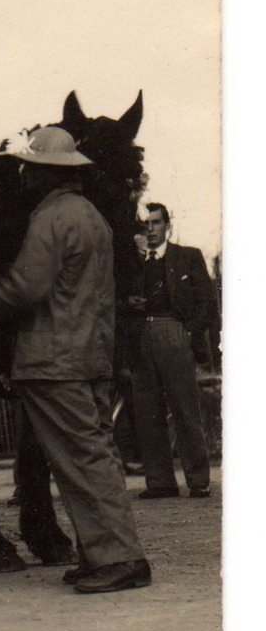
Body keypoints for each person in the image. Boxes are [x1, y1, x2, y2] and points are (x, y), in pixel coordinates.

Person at [0, 126, 150, 594]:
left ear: (42, 173)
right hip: (90, 355)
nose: (24, 176)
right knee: (96, 456)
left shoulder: (50, 217)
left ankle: (120, 559)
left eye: (29, 168)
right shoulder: (92, 215)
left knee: (81, 462)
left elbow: (27, 287)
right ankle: (102, 553)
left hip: (53, 361)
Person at [127, 202, 218, 499]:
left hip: (175, 332)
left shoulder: (187, 257)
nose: (150, 230)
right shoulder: (133, 263)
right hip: (142, 336)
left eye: (155, 223)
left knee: (185, 408)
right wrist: (130, 304)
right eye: (145, 225)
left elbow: (207, 301)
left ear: (168, 225)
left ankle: (198, 480)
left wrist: (188, 331)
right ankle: (160, 482)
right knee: (147, 412)